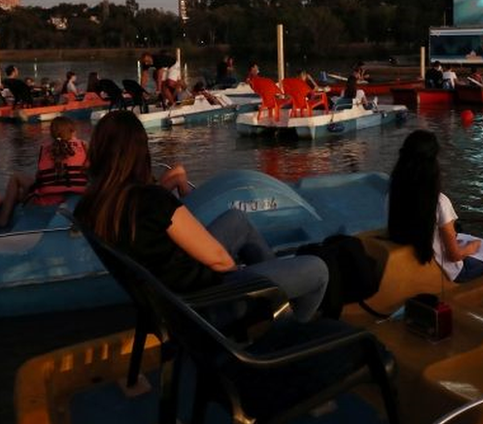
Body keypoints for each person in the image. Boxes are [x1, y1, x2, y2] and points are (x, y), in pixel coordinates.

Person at [74, 110, 329, 322]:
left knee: (236, 220)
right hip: (206, 303)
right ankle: (290, 329)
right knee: (318, 270)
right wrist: (242, 281)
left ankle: (281, 306)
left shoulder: (92, 205)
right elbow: (220, 261)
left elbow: (144, 225)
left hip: (167, 297)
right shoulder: (150, 200)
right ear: (139, 151)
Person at [387, 130, 483, 283]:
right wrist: (472, 248)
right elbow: (454, 256)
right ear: (433, 163)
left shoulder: (393, 195)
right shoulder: (438, 202)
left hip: (426, 261)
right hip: (454, 272)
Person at [0, 117, 89, 227]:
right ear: (73, 132)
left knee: (16, 178)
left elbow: (39, 178)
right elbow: (90, 171)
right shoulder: (84, 146)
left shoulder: (45, 149)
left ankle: (3, 218)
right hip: (78, 196)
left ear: (51, 134)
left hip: (46, 202)